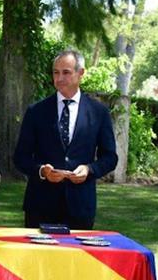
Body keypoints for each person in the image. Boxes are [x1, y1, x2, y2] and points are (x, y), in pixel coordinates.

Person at [12, 49, 117, 229]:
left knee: (77, 258)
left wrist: (89, 169)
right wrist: (42, 171)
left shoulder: (98, 112)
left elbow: (110, 157)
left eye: (66, 72)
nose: (59, 78)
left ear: (80, 73)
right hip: (41, 206)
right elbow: (20, 157)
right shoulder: (36, 112)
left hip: (80, 207)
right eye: (56, 72)